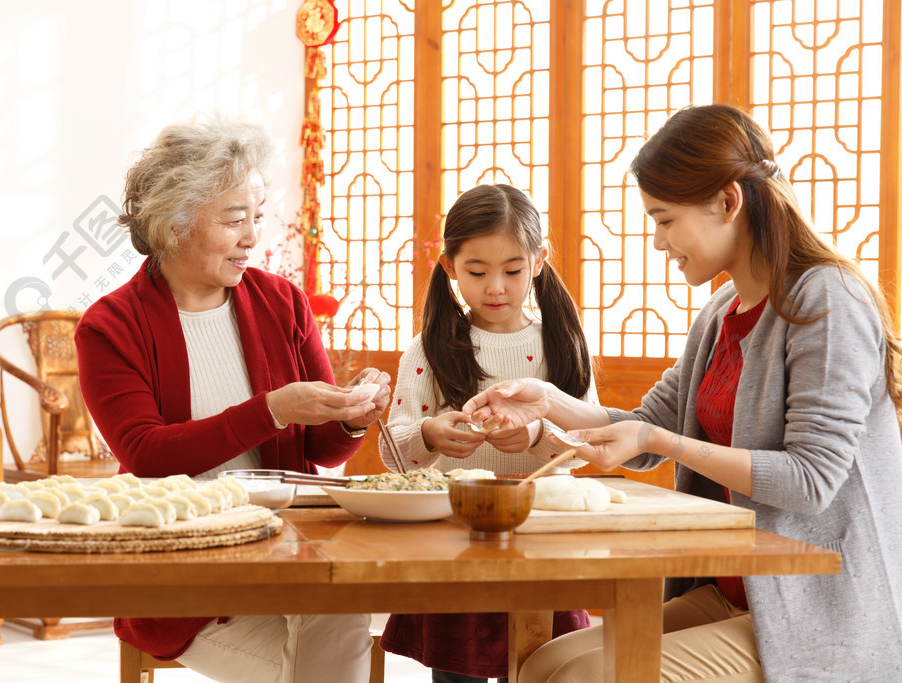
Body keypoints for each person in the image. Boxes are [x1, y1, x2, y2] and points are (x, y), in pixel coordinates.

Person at [462, 104, 902, 683]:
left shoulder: (827, 300)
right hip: (738, 593)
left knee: (582, 677)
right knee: (547, 661)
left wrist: (658, 438)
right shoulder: (721, 311)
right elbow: (645, 431)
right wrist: (548, 401)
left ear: (727, 201)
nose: (657, 240)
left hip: (822, 606)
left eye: (665, 219)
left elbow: (810, 481)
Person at [74, 112, 391, 683]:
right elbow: (146, 452)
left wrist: (351, 417)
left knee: (341, 608)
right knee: (328, 651)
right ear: (174, 226)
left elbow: (322, 447)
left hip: (286, 551)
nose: (252, 237)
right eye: (234, 219)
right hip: (185, 576)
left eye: (258, 218)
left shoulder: (282, 302)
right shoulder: (111, 326)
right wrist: (270, 410)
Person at [377, 183, 596, 682]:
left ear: (539, 262)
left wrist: (540, 432)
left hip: (540, 541)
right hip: (456, 541)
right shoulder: (429, 348)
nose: (496, 287)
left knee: (546, 667)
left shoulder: (560, 340)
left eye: (513, 270)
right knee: (458, 672)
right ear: (450, 265)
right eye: (477, 272)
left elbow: (590, 441)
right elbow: (395, 454)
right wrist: (430, 434)